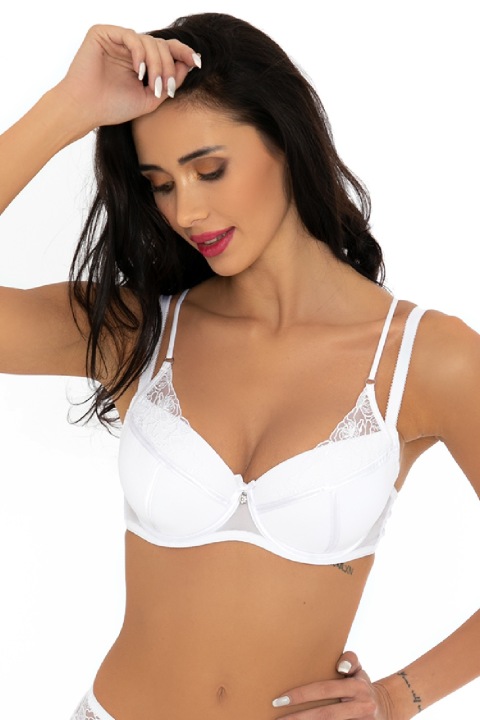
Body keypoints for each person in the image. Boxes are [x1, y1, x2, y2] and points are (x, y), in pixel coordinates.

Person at [0, 12, 478, 720]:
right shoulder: (138, 331)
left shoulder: (427, 358)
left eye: (209, 169)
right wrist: (68, 106)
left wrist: (399, 697)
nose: (186, 211)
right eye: (161, 183)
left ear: (285, 141)